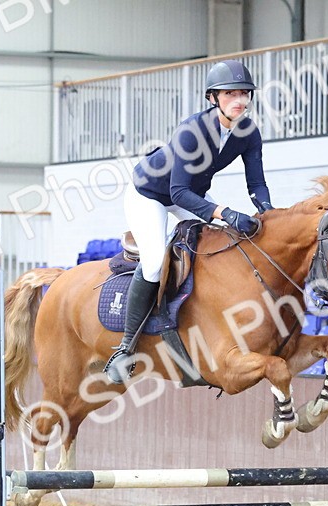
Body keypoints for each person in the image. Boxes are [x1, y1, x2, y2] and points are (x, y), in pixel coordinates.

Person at [103, 59, 274, 384]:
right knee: (154, 261)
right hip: (150, 194)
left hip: (190, 195)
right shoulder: (192, 131)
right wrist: (224, 212)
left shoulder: (248, 133)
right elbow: (178, 192)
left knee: (226, 239)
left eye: (244, 93)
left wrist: (267, 211)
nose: (239, 100)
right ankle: (126, 347)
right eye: (230, 94)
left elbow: (256, 184)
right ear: (213, 98)